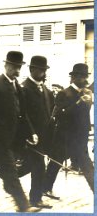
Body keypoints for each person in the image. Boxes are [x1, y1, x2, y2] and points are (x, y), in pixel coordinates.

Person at [0, 51, 40, 212]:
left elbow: (22, 114)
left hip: (12, 138)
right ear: (6, 65)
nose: (17, 70)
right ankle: (23, 206)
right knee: (10, 170)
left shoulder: (17, 85)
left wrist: (30, 132)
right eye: (14, 67)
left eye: (19, 67)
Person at [43, 63, 94, 197]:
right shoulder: (63, 93)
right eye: (82, 77)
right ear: (75, 77)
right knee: (55, 164)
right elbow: (60, 115)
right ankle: (45, 188)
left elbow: (84, 116)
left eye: (85, 76)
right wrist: (79, 103)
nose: (85, 80)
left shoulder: (86, 93)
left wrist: (88, 102)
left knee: (87, 166)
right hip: (64, 137)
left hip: (80, 138)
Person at [17, 56, 54, 208]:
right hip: (31, 136)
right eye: (40, 69)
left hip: (44, 136)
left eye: (44, 70)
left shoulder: (46, 89)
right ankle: (35, 198)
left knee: (31, 165)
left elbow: (50, 112)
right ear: (32, 70)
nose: (43, 72)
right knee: (39, 166)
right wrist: (30, 133)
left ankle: (8, 175)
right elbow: (22, 114)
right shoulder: (24, 88)